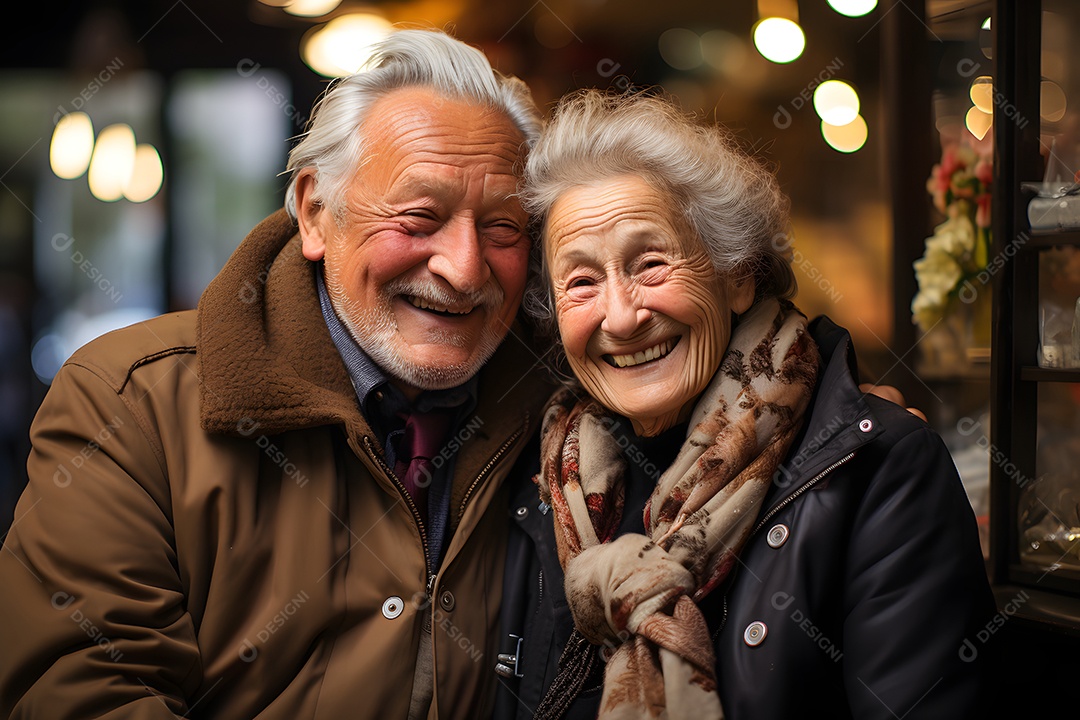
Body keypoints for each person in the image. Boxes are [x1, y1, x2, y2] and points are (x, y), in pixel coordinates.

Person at [0, 29, 556, 719]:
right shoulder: (132, 398)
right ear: (317, 213)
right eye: (419, 217)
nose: (465, 268)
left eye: (503, 228)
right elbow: (79, 690)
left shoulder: (565, 410)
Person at [495, 90, 995, 719]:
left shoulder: (880, 469)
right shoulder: (542, 480)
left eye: (651, 264)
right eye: (582, 282)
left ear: (737, 275)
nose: (620, 316)